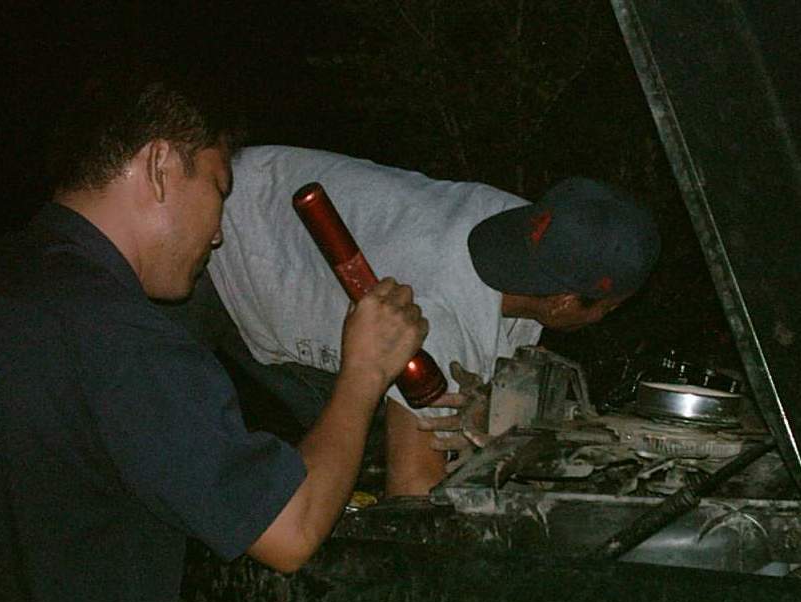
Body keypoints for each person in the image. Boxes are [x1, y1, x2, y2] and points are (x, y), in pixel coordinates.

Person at [0, 76, 428, 602]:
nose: (217, 234)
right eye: (218, 190)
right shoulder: (124, 336)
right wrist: (362, 374)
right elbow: (289, 530)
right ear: (160, 167)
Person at [186, 145, 660, 496]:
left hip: (269, 198)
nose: (608, 318)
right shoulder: (437, 322)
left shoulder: (526, 229)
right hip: (214, 233)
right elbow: (412, 492)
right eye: (609, 307)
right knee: (185, 447)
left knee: (358, 431)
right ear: (562, 303)